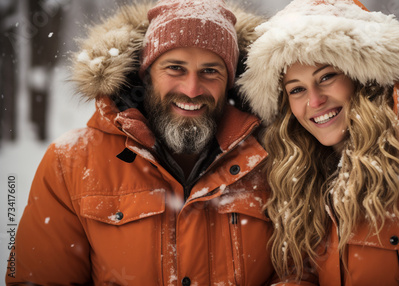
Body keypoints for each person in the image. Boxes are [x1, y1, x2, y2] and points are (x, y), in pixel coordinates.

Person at [6, 1, 275, 285]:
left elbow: (297, 273)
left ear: (230, 82)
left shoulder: (275, 157)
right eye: (175, 68)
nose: (192, 89)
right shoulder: (71, 161)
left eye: (210, 71)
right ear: (145, 76)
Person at [237, 0, 399, 285]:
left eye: (327, 76)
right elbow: (299, 274)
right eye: (297, 89)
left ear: (362, 79)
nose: (314, 100)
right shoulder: (301, 177)